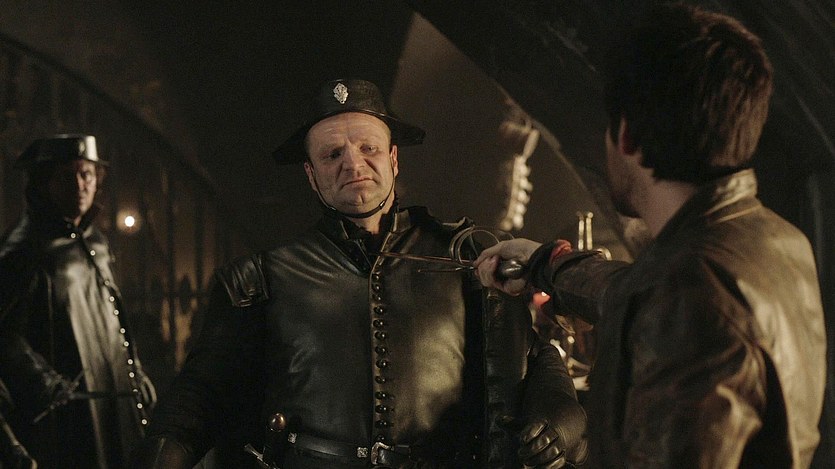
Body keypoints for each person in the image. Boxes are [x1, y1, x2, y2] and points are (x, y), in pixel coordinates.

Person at [132, 78, 587, 468]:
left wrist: (557, 422)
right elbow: (199, 398)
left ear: (393, 159)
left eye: (368, 148)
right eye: (332, 154)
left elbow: (535, 363)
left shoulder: (466, 261)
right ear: (311, 174)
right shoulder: (263, 280)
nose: (353, 164)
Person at [474, 3, 827, 468]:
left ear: (627, 137)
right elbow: (633, 289)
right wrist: (546, 263)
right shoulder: (770, 239)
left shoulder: (691, 292)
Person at [0, 134, 156, 468]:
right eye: (66, 176)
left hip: (113, 402)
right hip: (68, 419)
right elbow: (4, 333)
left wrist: (134, 372)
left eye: (86, 174)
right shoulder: (24, 250)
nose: (79, 185)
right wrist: (43, 383)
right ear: (44, 182)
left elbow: (114, 317)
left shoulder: (95, 242)